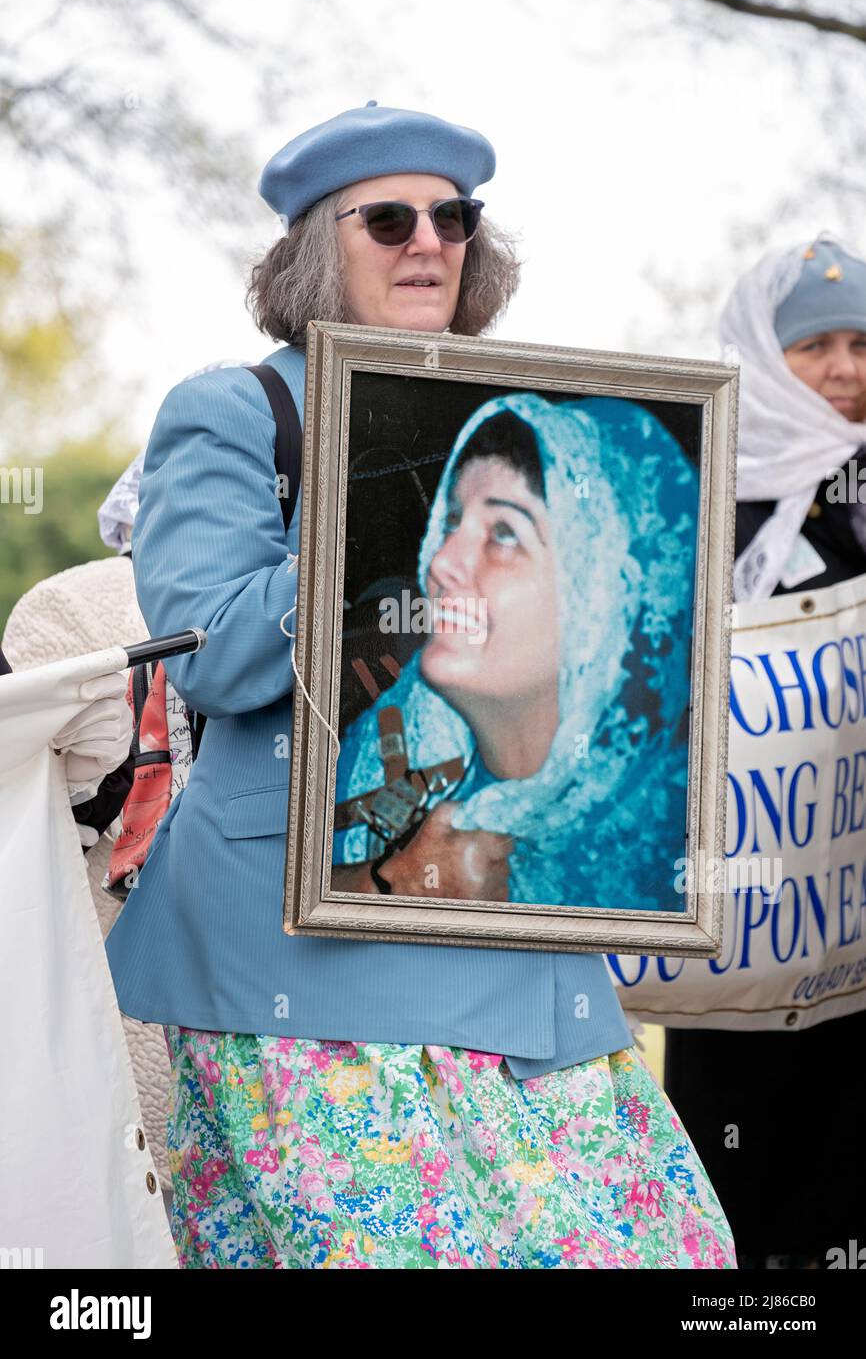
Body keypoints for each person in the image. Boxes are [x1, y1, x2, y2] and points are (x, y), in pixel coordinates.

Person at [105, 101, 735, 1269]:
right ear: (311, 250)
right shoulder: (239, 413)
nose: (427, 241)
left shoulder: (522, 417)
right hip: (292, 967)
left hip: (511, 949)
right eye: (386, 218)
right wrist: (358, 498)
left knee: (677, 1258)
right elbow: (218, 655)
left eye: (452, 218)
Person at [664, 233, 866, 1268]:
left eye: (858, 344)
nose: (842, 369)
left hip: (855, 912)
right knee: (737, 1186)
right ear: (758, 353)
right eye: (814, 347)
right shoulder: (702, 488)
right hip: (745, 910)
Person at [333, 391, 699, 911]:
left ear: (602, 603)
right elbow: (232, 907)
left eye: (504, 533)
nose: (442, 560)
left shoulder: (677, 845)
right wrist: (386, 880)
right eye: (454, 522)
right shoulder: (381, 747)